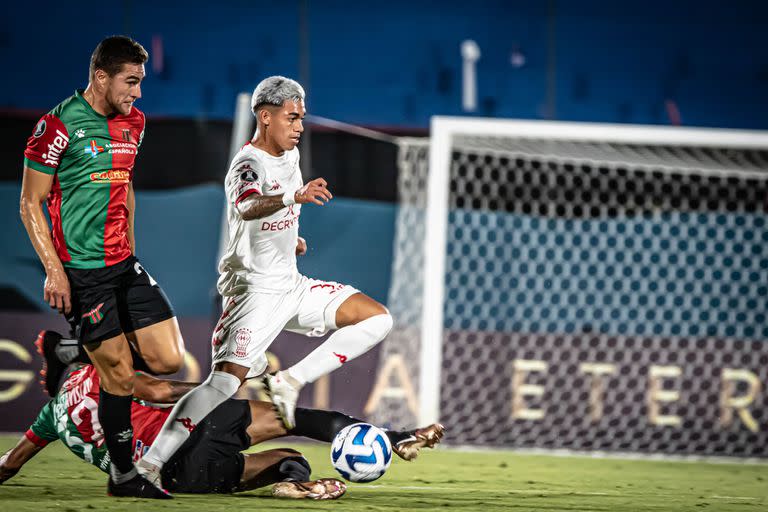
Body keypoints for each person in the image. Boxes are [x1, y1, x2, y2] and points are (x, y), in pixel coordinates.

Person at [136, 76, 394, 484]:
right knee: (221, 385)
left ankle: (289, 381)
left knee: (377, 318)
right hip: (252, 294)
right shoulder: (247, 164)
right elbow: (248, 206)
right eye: (292, 118)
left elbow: (269, 221)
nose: (300, 127)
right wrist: (294, 199)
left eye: (302, 118)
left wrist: (291, 238)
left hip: (290, 285)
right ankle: (149, 465)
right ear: (265, 116)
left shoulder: (289, 156)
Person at [19, 36, 185, 498]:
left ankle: (69, 352)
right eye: (131, 81)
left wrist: (129, 240)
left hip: (123, 264)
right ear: (101, 77)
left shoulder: (136, 122)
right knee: (119, 376)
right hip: (81, 273)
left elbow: (126, 183)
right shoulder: (57, 126)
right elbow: (29, 202)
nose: (138, 92)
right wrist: (54, 271)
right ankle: (123, 477)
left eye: (140, 82)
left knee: (169, 359)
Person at [0, 345, 445, 498]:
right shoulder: (96, 371)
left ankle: (293, 483)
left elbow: (8, 465)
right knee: (295, 419)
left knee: (287, 458)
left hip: (176, 474)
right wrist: (218, 387)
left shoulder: (49, 420)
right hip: (190, 428)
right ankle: (396, 437)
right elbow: (158, 392)